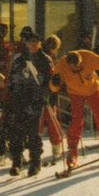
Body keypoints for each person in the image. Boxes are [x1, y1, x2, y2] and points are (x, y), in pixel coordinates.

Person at [51, 48, 99, 169]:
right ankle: (72, 152)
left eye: (78, 66)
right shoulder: (62, 65)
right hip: (75, 92)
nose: (76, 69)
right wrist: (54, 83)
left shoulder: (87, 57)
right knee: (76, 121)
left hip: (93, 89)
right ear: (68, 65)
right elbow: (54, 83)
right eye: (73, 68)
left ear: (81, 61)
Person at [5, 32, 48, 176]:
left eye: (36, 42)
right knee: (16, 131)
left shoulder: (45, 59)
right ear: (26, 43)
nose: (33, 44)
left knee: (33, 133)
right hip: (19, 99)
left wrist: (45, 93)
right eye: (30, 42)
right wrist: (12, 90)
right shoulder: (19, 59)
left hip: (35, 100)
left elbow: (49, 80)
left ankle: (35, 162)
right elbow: (11, 77)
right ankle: (17, 161)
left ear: (40, 43)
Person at [38, 35, 66, 163]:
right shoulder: (48, 58)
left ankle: (39, 147)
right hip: (47, 93)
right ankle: (55, 148)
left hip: (43, 93)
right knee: (51, 122)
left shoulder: (43, 57)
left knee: (41, 121)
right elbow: (52, 74)